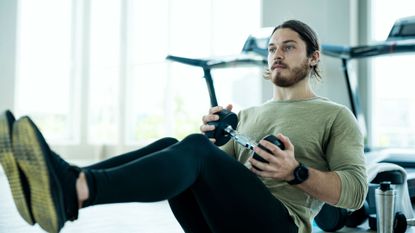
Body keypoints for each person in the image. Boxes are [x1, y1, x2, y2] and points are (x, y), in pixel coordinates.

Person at [0, 19, 368, 233]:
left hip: (280, 225)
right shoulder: (251, 114)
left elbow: (353, 193)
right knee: (170, 142)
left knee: (193, 147)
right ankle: (67, 181)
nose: (276, 54)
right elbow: (210, 171)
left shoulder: (334, 115)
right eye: (272, 48)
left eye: (288, 47)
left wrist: (296, 172)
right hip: (225, 220)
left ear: (313, 57)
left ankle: (74, 188)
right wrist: (214, 139)